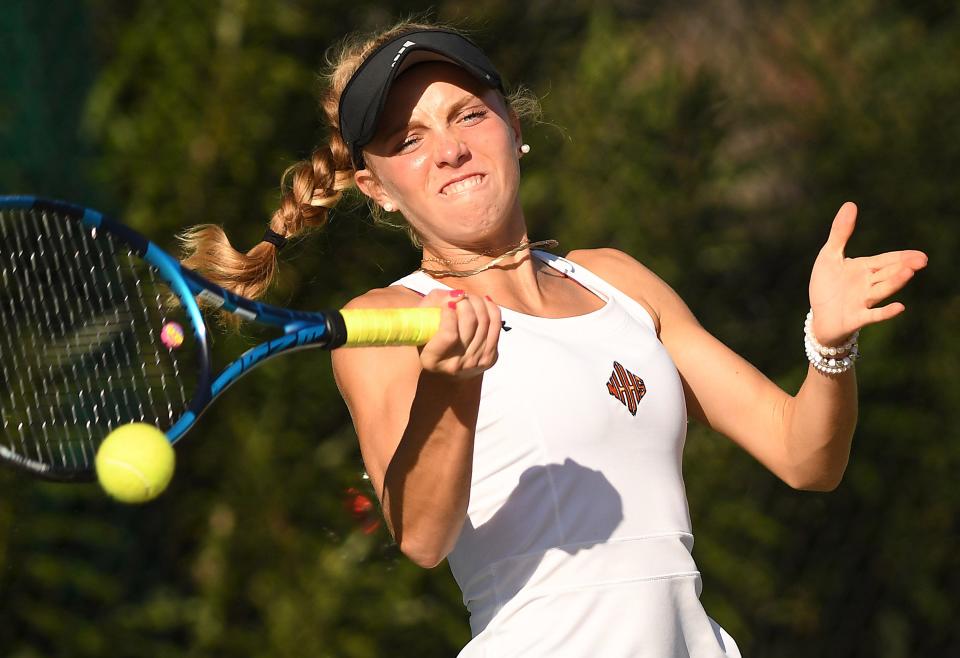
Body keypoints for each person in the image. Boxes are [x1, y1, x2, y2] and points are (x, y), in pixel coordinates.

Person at [179, 20, 928, 657]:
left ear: (513, 127)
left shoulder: (617, 280)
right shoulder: (381, 322)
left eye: (468, 115)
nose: (449, 150)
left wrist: (828, 346)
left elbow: (806, 456)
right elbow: (421, 537)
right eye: (409, 140)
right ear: (377, 187)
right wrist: (452, 382)